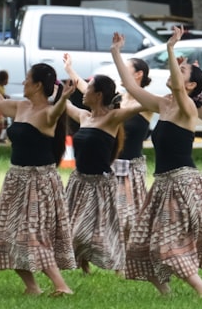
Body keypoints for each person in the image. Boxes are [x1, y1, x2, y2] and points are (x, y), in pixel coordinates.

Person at [112, 27, 202, 298]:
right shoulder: (164, 104)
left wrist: (171, 49)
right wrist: (116, 53)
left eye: (182, 72)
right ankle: (166, 294)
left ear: (192, 86)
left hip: (182, 183)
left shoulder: (187, 107)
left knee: (167, 244)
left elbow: (180, 89)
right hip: (162, 184)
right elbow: (132, 86)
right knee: (141, 243)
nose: (176, 71)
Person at [0, 62, 76, 296]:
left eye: (26, 79)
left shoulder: (48, 114)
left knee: (33, 234)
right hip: (16, 179)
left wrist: (64, 98)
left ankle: (62, 286)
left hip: (39, 181)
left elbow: (56, 111)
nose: (22, 82)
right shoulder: (21, 106)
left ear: (38, 85)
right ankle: (32, 287)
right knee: (6, 233)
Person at [62, 57, 148, 274]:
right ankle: (85, 260)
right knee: (83, 221)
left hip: (127, 168)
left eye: (127, 69)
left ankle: (123, 260)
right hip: (97, 172)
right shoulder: (98, 110)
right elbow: (87, 91)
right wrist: (70, 70)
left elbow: (149, 102)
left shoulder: (129, 108)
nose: (122, 73)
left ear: (138, 74)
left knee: (126, 218)